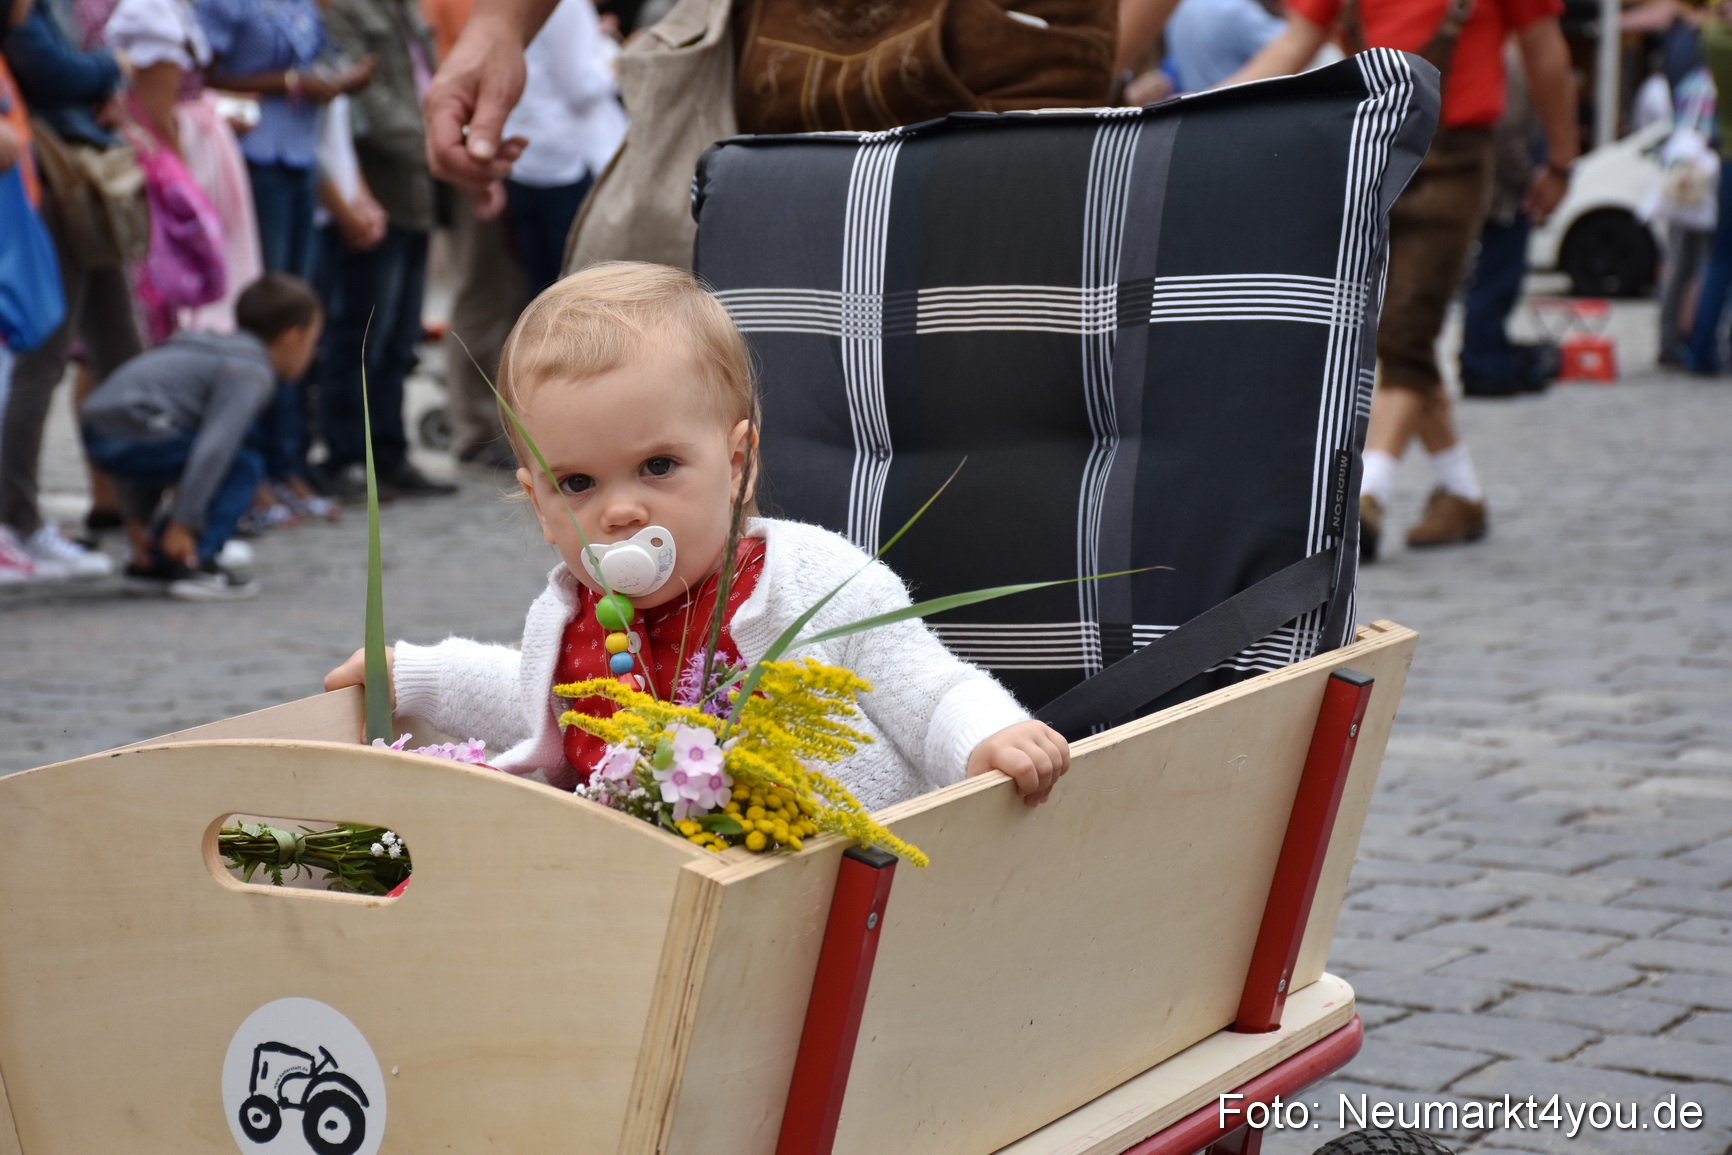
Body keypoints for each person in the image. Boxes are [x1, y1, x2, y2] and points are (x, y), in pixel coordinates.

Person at [324, 263, 1070, 810]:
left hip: (817, 874)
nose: (621, 511)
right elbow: (528, 695)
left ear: (737, 462)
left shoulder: (813, 580)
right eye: (577, 484)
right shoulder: (574, 618)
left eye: (658, 467)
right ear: (540, 504)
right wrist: (413, 671)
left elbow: (928, 689)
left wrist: (989, 737)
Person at [1228, 0, 1579, 558]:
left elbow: (1545, 50)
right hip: (1368, 153)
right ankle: (1461, 492)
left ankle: (1366, 497)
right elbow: (1290, 47)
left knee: (1406, 334)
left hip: (1456, 157)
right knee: (1390, 330)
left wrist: (1562, 160)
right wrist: (1204, 110)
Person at [79, 273, 323, 600]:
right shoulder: (250, 370)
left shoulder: (216, 347)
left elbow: (152, 455)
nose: (313, 352)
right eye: (313, 341)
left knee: (178, 448)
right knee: (243, 465)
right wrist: (184, 523)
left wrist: (137, 521)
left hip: (100, 426)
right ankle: (195, 559)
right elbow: (214, 451)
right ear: (292, 336)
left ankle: (153, 562)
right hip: (134, 427)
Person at [2, 0, 136, 580]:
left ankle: (147, 522)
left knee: (123, 351)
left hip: (68, 173)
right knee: (42, 357)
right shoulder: (24, 18)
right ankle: (19, 520)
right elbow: (56, 70)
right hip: (50, 185)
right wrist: (111, 67)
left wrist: (101, 72)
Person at [317, 0, 456, 499]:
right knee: (361, 336)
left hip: (416, 191)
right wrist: (438, 142)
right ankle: (348, 456)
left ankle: (390, 453)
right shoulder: (344, 10)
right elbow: (365, 106)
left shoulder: (398, 8)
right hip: (379, 191)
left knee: (399, 339)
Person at [499, 0, 625, 296]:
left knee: (541, 285)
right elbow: (581, 88)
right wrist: (621, 62)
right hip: (563, 162)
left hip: (525, 157)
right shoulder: (570, 5)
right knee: (574, 288)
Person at [1686, 2, 1732, 373]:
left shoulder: (1713, 38)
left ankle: (1701, 348)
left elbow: (1712, 22)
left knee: (1720, 258)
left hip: (1729, 159)